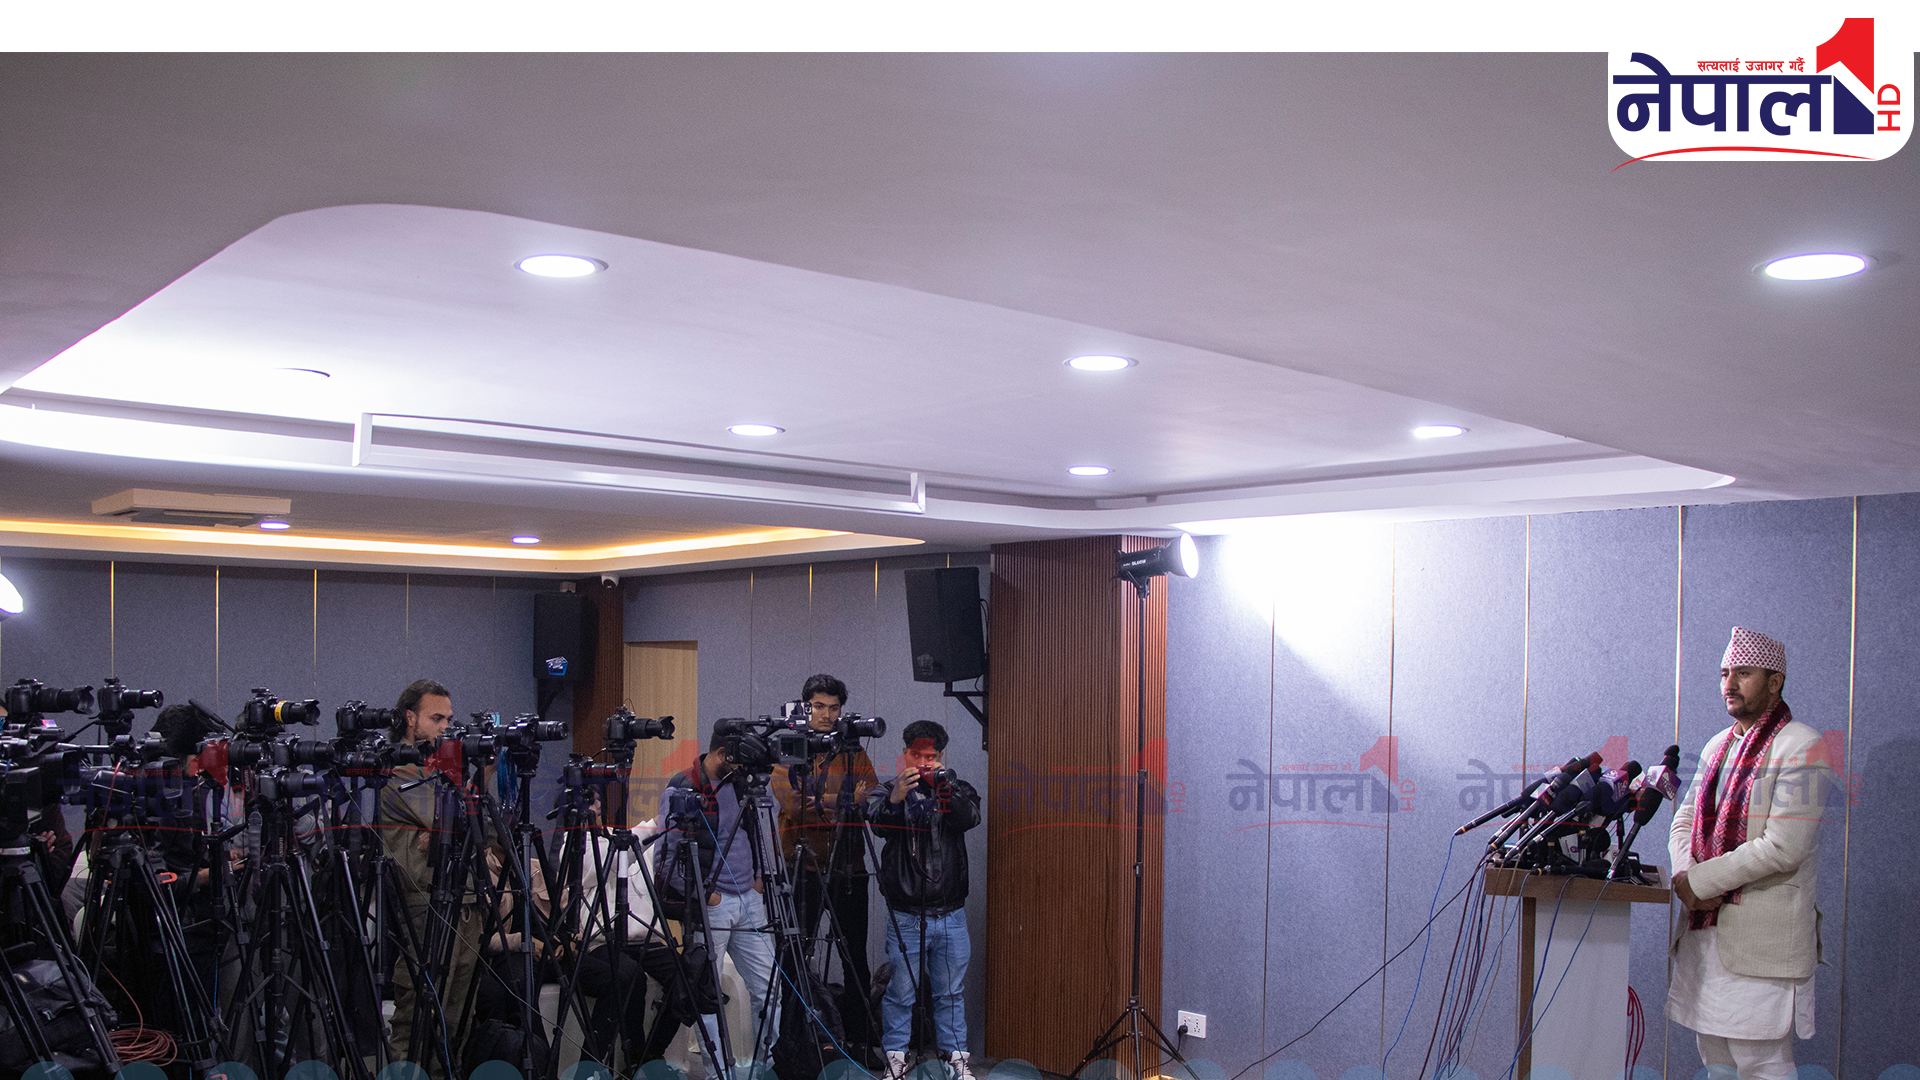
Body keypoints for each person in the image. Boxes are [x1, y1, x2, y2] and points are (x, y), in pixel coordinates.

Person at [1668, 627, 1836, 1080]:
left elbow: (1783, 847)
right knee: (1716, 1061)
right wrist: (1683, 876)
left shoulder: (1804, 746)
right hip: (1706, 932)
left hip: (1762, 940)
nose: (1729, 683)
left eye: (1743, 673)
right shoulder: (1717, 746)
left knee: (1761, 1063)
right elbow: (1683, 821)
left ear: (1775, 681)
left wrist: (1698, 882)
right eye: (1725, 673)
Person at [658, 725, 782, 1070]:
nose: (744, 766)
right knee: (706, 992)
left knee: (769, 988)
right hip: (713, 904)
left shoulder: (742, 782)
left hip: (750, 900)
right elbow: (666, 856)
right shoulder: (683, 786)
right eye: (739, 759)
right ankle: (718, 1073)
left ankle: (767, 1067)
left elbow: (759, 831)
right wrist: (702, 895)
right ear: (722, 754)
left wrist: (760, 878)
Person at [377, 678, 485, 1077]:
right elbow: (452, 822)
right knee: (418, 1016)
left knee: (456, 1020)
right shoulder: (396, 772)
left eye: (449, 719)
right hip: (424, 906)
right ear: (410, 718)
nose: (445, 728)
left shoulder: (444, 773)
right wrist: (449, 825)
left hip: (465, 903)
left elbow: (486, 829)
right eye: (436, 718)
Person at [867, 720, 980, 1080]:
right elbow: (878, 825)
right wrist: (897, 798)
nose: (923, 762)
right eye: (917, 755)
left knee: (950, 994)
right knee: (900, 993)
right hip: (906, 913)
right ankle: (895, 1061)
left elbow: (968, 819)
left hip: (950, 912)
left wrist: (945, 787)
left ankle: (956, 1062)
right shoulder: (886, 790)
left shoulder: (957, 787)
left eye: (931, 756)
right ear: (905, 754)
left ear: (941, 756)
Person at [771, 673, 878, 1042]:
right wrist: (845, 801)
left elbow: (871, 795)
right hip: (802, 868)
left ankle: (859, 1042)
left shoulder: (853, 750)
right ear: (806, 708)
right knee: (795, 955)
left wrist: (826, 803)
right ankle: (791, 1044)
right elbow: (794, 805)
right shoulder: (790, 747)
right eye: (819, 706)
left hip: (850, 868)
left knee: (855, 959)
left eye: (834, 708)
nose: (827, 715)